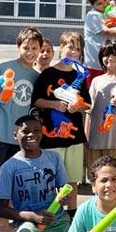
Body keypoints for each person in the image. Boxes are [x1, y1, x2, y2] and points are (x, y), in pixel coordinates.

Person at [0, 26, 43, 232]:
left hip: (21, 139)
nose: (30, 52)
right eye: (26, 47)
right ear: (18, 47)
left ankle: (4, 224)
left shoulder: (36, 76)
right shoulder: (4, 69)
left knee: (14, 182)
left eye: (34, 48)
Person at [0, 114, 70, 232]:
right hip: (28, 220)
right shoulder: (10, 166)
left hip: (57, 218)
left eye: (36, 130)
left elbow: (64, 186)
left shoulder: (54, 157)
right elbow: (1, 209)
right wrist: (32, 216)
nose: (32, 135)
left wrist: (64, 195)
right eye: (25, 131)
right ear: (15, 135)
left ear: (42, 133)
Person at [32, 31, 90, 210]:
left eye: (77, 49)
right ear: (61, 48)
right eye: (70, 47)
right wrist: (55, 104)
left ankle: (71, 214)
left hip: (74, 137)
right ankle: (51, 214)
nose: (73, 52)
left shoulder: (80, 76)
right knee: (50, 178)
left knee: (72, 180)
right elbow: (36, 100)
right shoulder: (48, 73)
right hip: (51, 137)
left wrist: (77, 106)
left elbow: (87, 104)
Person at [84, 40, 116, 168]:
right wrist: (86, 137)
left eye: (115, 55)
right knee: (96, 177)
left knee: (114, 176)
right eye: (106, 55)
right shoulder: (96, 81)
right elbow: (89, 112)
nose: (110, 58)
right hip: (95, 140)